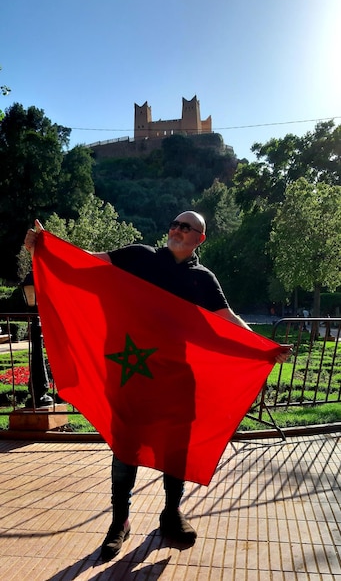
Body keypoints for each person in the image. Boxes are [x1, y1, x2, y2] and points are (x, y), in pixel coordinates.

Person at [25, 210, 291, 561]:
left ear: (200, 238)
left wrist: (266, 348)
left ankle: (171, 514)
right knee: (126, 447)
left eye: (187, 227)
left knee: (176, 449)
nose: (177, 230)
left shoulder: (203, 279)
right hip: (131, 374)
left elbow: (229, 321)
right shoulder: (139, 257)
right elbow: (86, 262)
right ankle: (119, 521)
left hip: (177, 378)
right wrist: (44, 247)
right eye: (175, 224)